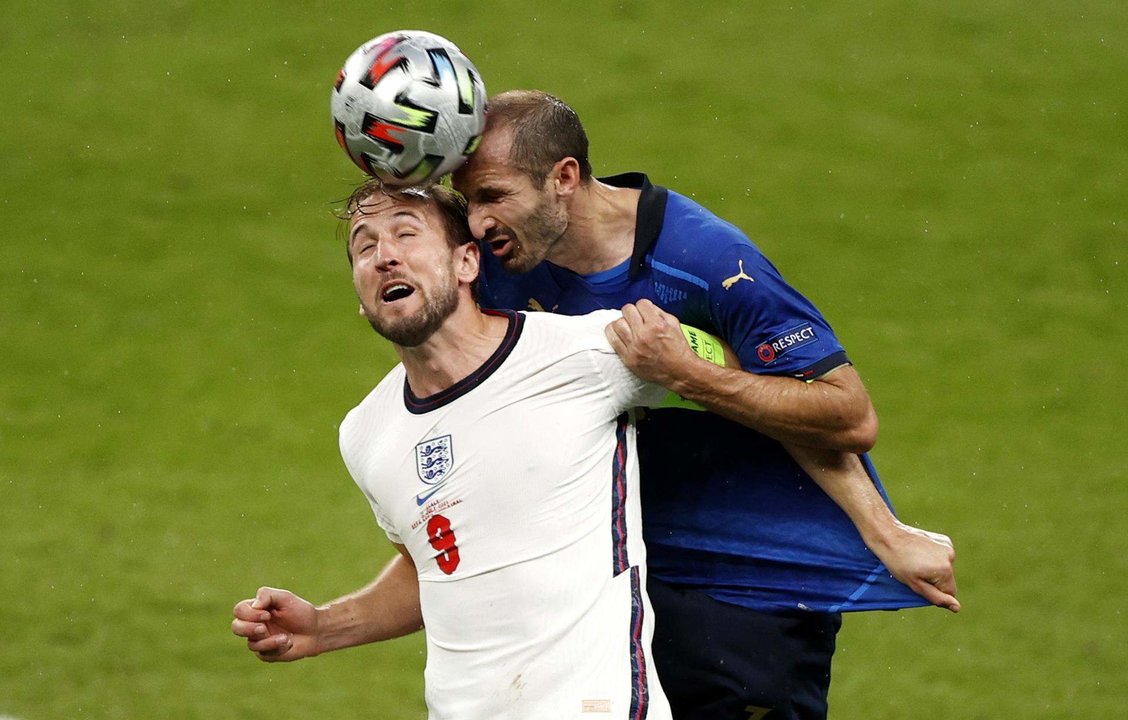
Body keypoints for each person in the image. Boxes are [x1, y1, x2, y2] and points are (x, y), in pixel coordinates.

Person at [450, 90, 960, 720]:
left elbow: (846, 415)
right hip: (623, 577)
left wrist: (690, 375)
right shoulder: (500, 264)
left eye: (493, 197)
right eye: (466, 199)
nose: (474, 223)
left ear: (564, 178)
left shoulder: (707, 262)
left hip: (754, 586)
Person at [232, 181, 698, 719]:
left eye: (407, 234)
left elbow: (744, 376)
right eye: (364, 246)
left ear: (467, 263)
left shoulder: (587, 354)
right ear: (360, 299)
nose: (385, 257)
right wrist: (325, 625)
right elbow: (438, 563)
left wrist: (694, 365)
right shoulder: (367, 433)